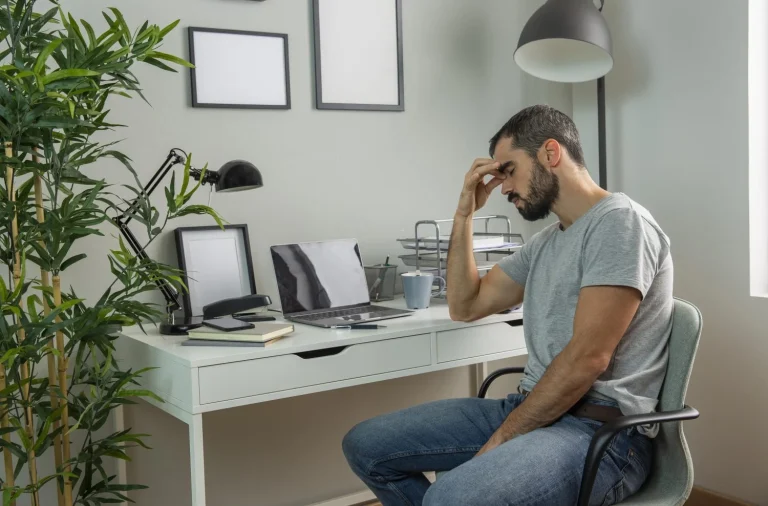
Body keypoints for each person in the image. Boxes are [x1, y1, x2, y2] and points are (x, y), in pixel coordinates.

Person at [341, 105, 673, 506]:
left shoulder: (620, 224)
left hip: (601, 434)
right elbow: (465, 305)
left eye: (510, 170)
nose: (504, 188)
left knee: (450, 498)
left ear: (551, 153)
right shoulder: (547, 242)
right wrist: (464, 213)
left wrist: (498, 443)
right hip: (533, 406)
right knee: (366, 446)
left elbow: (588, 359)